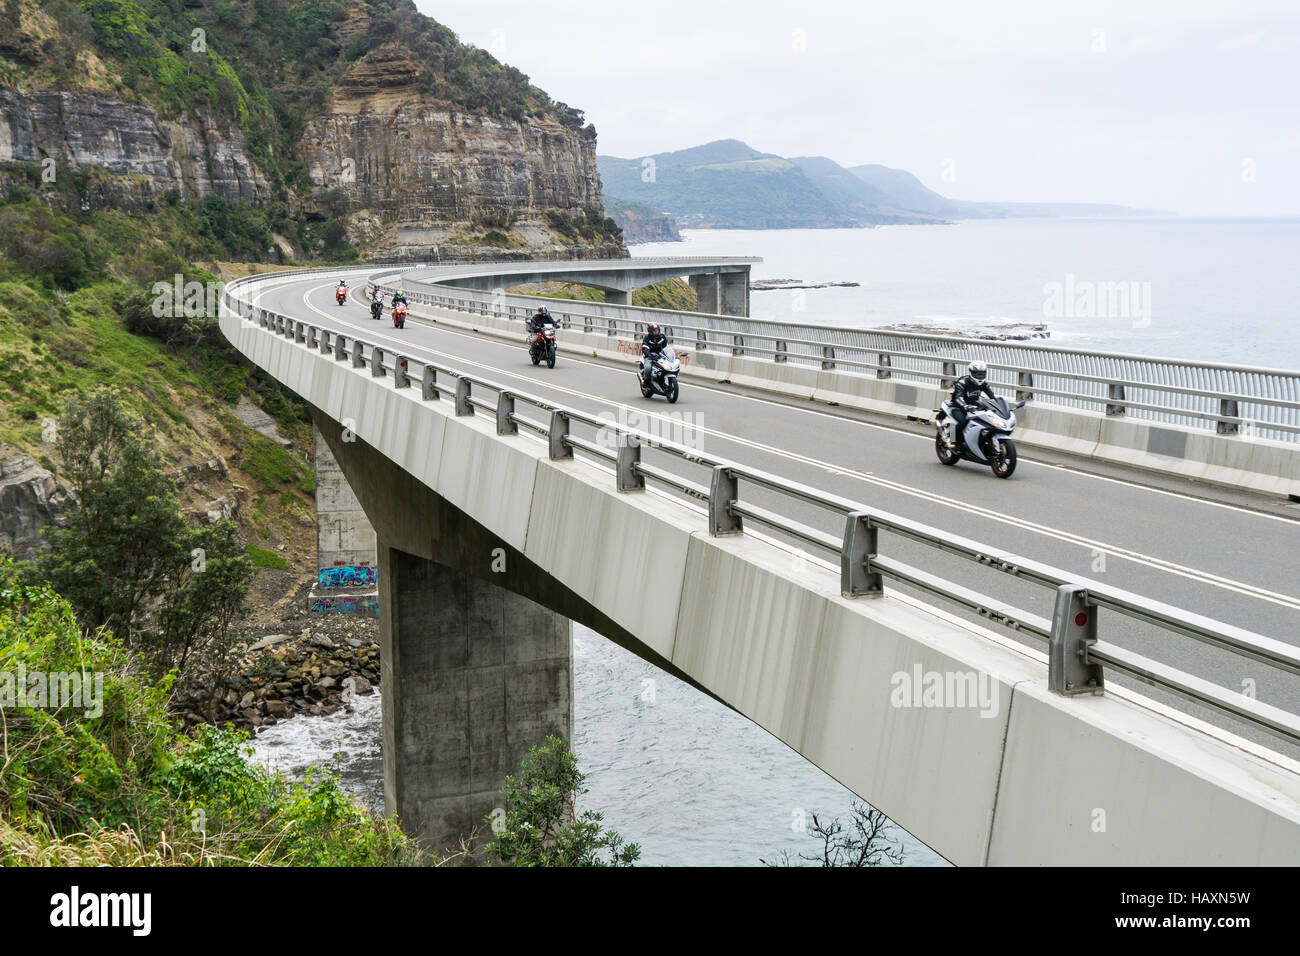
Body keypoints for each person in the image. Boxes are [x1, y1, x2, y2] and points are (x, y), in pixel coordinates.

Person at [945, 360, 996, 447]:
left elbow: (992, 395)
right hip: (958, 407)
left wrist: (999, 404)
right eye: (977, 374)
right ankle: (951, 438)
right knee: (963, 421)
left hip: (974, 405)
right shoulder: (962, 383)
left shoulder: (983, 384)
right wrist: (965, 406)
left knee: (990, 415)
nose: (980, 376)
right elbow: (958, 397)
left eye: (982, 374)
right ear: (971, 373)